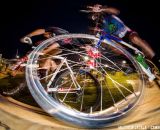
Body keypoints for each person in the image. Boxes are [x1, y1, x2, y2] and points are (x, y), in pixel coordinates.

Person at [86, 4, 160, 70]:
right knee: (114, 47)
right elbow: (97, 39)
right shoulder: (99, 26)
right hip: (120, 41)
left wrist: (102, 8)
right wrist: (90, 46)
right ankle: (133, 63)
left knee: (135, 38)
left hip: (128, 34)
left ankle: (156, 60)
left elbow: (117, 11)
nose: (96, 17)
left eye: (96, 14)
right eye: (94, 16)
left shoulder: (108, 14)